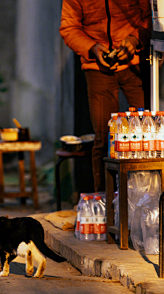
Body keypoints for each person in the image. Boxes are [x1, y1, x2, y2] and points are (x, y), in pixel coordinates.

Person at [60, 0, 152, 192]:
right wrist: (93, 48)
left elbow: (151, 17)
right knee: (104, 138)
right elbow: (69, 27)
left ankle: (149, 196)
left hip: (136, 64)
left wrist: (135, 39)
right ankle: (104, 202)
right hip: (97, 67)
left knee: (149, 133)